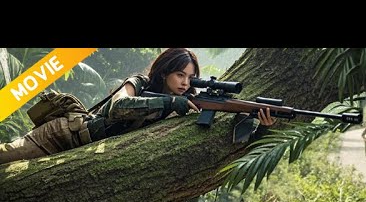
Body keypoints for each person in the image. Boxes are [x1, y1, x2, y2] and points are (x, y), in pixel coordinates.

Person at [0, 48, 275, 165]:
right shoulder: (140, 82)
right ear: (166, 71)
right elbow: (118, 108)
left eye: (190, 77)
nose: (185, 82)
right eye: (180, 75)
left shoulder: (189, 105)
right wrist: (171, 102)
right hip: (63, 136)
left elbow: (223, 141)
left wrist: (261, 129)